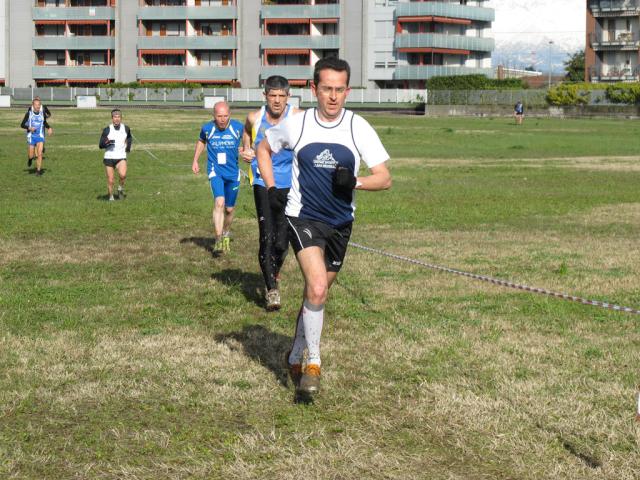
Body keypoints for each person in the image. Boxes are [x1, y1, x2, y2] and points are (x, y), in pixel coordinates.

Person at [257, 58, 392, 396]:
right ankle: (312, 363)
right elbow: (262, 148)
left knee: (316, 294)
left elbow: (385, 178)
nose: (333, 97)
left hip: (340, 225)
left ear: (347, 90)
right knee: (316, 288)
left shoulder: (357, 127)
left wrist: (356, 181)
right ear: (314, 89)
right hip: (302, 218)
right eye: (327, 89)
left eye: (340, 90)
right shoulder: (297, 124)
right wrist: (272, 187)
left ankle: (294, 349)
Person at [242, 75, 302, 311]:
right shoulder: (254, 118)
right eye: (272, 95)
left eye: (281, 96)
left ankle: (273, 269)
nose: (277, 101)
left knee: (282, 239)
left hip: (291, 184)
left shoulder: (297, 118)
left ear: (288, 96)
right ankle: (271, 290)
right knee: (266, 235)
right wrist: (246, 149)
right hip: (262, 182)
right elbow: (247, 134)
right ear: (265, 96)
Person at [192, 101, 245, 254]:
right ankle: (218, 239)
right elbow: (201, 141)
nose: (222, 119)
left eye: (225, 116)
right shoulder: (207, 128)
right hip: (216, 171)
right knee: (219, 202)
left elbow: (248, 139)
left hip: (233, 173)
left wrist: (246, 148)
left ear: (230, 115)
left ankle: (226, 233)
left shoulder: (238, 127)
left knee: (229, 209)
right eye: (219, 116)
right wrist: (195, 159)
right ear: (213, 115)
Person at [99, 109, 132, 201]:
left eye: (118, 117)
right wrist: (107, 143)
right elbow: (100, 145)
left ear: (121, 118)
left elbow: (129, 137)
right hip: (109, 158)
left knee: (123, 175)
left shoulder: (126, 128)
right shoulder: (107, 129)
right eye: (115, 117)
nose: (117, 119)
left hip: (121, 157)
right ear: (112, 118)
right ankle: (111, 197)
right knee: (110, 180)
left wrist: (128, 147)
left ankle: (120, 189)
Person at [20, 98, 53, 176]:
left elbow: (44, 122)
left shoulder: (42, 114)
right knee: (31, 155)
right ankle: (30, 159)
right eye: (36, 105)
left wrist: (49, 128)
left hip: (40, 136)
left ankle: (38, 171)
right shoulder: (29, 114)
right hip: (31, 137)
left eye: (39, 105)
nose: (38, 106)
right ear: (33, 105)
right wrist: (29, 128)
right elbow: (22, 125)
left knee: (40, 154)